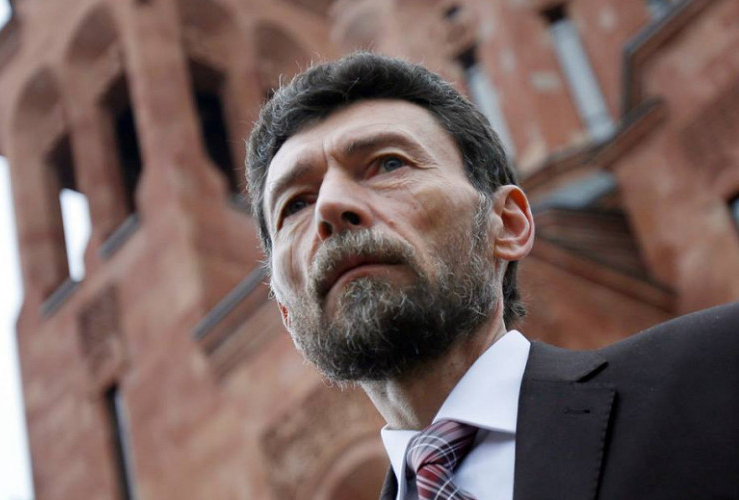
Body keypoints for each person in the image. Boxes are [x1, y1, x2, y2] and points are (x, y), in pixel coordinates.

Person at [245, 52, 739, 500]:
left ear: (507, 224)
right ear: (287, 310)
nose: (330, 206)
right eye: (295, 205)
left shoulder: (717, 373)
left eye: (387, 164)